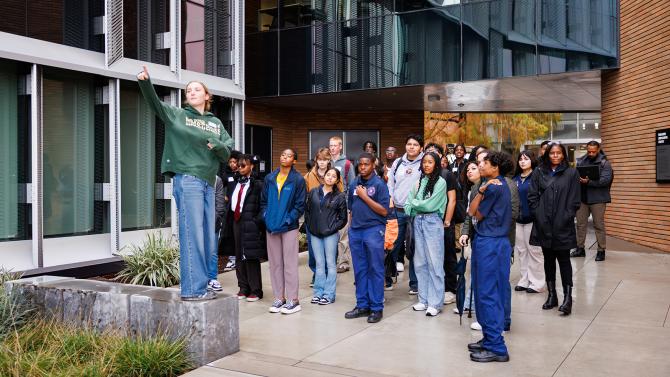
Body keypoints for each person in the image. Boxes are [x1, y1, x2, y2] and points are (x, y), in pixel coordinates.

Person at [137, 65, 233, 301]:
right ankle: (193, 289)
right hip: (188, 179)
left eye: (196, 89)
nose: (191, 92)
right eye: (188, 90)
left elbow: (227, 152)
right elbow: (155, 106)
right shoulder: (178, 115)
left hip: (209, 183)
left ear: (207, 96)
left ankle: (202, 283)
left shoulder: (215, 123)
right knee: (193, 234)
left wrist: (216, 144)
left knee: (209, 238)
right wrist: (145, 83)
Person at [466, 152, 514, 363]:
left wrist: (480, 192)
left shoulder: (494, 187)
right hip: (489, 241)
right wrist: (481, 189)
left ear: (495, 167)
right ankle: (488, 338)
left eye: (484, 162)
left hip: (491, 243)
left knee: (488, 294)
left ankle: (496, 346)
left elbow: (473, 212)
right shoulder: (495, 184)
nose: (480, 164)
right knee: (483, 291)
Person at [528, 142, 581, 316]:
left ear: (564, 155)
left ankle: (568, 299)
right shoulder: (539, 172)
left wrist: (566, 216)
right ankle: (552, 296)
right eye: (552, 153)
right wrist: (539, 215)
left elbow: (574, 200)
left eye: (559, 153)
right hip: (543, 224)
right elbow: (532, 196)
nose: (556, 156)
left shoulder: (571, 173)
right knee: (548, 260)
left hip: (562, 224)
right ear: (547, 155)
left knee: (564, 261)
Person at [344, 153, 390, 323]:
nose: (362, 167)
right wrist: (350, 228)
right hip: (356, 231)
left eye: (366, 164)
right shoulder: (354, 183)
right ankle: (362, 305)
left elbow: (384, 211)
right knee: (360, 270)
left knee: (375, 269)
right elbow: (351, 207)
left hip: (373, 230)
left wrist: (365, 197)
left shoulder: (379, 185)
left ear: (373, 165)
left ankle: (376, 308)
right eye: (360, 164)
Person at [261, 148, 306, 315]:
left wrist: (288, 219)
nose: (284, 157)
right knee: (275, 264)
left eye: (288, 155)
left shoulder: (298, 180)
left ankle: (294, 300)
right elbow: (263, 202)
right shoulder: (270, 178)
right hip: (271, 227)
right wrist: (266, 217)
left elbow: (300, 205)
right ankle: (279, 298)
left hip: (288, 227)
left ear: (294, 161)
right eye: (282, 154)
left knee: (290, 264)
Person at [405, 152, 448, 316]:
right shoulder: (419, 182)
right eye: (424, 162)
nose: (426, 165)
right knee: (420, 263)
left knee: (435, 263)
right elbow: (407, 205)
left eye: (430, 162)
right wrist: (416, 205)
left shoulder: (441, 182)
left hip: (432, 222)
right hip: (418, 222)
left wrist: (416, 204)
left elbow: (430, 205)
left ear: (436, 164)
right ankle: (423, 299)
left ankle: (435, 303)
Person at [387, 134, 424, 292]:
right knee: (392, 245)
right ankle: (387, 277)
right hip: (398, 210)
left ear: (421, 147)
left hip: (416, 212)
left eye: (415, 144)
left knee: (414, 248)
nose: (411, 147)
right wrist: (390, 198)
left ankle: (414, 284)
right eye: (409, 144)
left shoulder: (425, 162)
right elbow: (391, 182)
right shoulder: (398, 162)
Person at [305, 168, 348, 305]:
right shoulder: (313, 192)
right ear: (324, 176)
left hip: (330, 234)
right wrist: (310, 227)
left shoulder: (339, 196)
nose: (330, 177)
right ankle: (318, 292)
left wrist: (331, 229)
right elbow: (307, 212)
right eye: (328, 174)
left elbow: (343, 219)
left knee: (330, 264)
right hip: (315, 233)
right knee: (319, 264)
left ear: (337, 180)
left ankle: (329, 294)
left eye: (333, 176)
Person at [424, 143, 457, 305]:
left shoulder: (447, 175)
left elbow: (452, 199)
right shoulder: (423, 175)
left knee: (447, 255)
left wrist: (447, 220)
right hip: (426, 223)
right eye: (427, 153)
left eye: (434, 153)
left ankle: (450, 289)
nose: (430, 157)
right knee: (430, 257)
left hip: (443, 222)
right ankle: (433, 288)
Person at [304, 148, 344, 285]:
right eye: (319, 160)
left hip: (330, 219)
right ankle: (316, 273)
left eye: (325, 160)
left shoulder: (334, 174)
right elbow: (306, 198)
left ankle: (329, 274)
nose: (322, 162)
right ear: (316, 160)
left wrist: (336, 222)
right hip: (314, 219)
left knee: (330, 251)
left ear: (329, 161)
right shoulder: (309, 176)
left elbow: (341, 196)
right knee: (313, 251)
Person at [229, 154, 265, 302]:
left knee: (250, 255)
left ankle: (256, 290)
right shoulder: (234, 183)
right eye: (239, 165)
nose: (240, 168)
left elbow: (263, 205)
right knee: (238, 255)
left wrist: (256, 221)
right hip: (236, 222)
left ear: (251, 166)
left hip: (250, 222)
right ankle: (243, 287)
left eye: (244, 165)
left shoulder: (257, 184)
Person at [572, 140, 613, 261]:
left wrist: (589, 182)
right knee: (580, 225)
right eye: (589, 151)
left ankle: (601, 250)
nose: (590, 153)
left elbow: (605, 181)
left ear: (598, 149)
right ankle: (580, 249)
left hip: (598, 199)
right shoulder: (580, 161)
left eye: (593, 151)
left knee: (598, 225)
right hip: (582, 198)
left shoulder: (605, 163)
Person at [513, 150, 545, 293]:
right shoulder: (515, 179)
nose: (523, 161)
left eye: (526, 159)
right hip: (518, 220)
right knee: (521, 251)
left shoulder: (537, 176)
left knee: (534, 251)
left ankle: (537, 283)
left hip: (533, 219)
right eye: (520, 159)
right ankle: (524, 280)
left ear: (532, 160)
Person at [457, 161, 483, 322]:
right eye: (468, 170)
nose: (469, 172)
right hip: (473, 233)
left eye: (474, 168)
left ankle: (471, 304)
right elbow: (469, 214)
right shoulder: (472, 189)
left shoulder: (485, 188)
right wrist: (465, 232)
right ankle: (468, 302)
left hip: (484, 234)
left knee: (478, 272)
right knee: (472, 270)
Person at [329, 136, 355, 273]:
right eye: (330, 145)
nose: (332, 148)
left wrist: (350, 206)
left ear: (340, 147)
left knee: (343, 235)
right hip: (327, 204)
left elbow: (352, 185)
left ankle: (344, 262)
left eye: (334, 145)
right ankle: (331, 260)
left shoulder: (347, 164)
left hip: (342, 204)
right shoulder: (325, 162)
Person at [220, 150, 241, 271]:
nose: (232, 164)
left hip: (241, 208)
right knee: (230, 233)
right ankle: (232, 259)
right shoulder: (226, 175)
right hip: (230, 210)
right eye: (230, 162)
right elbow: (218, 187)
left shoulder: (242, 174)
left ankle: (240, 258)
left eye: (235, 161)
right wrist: (224, 196)